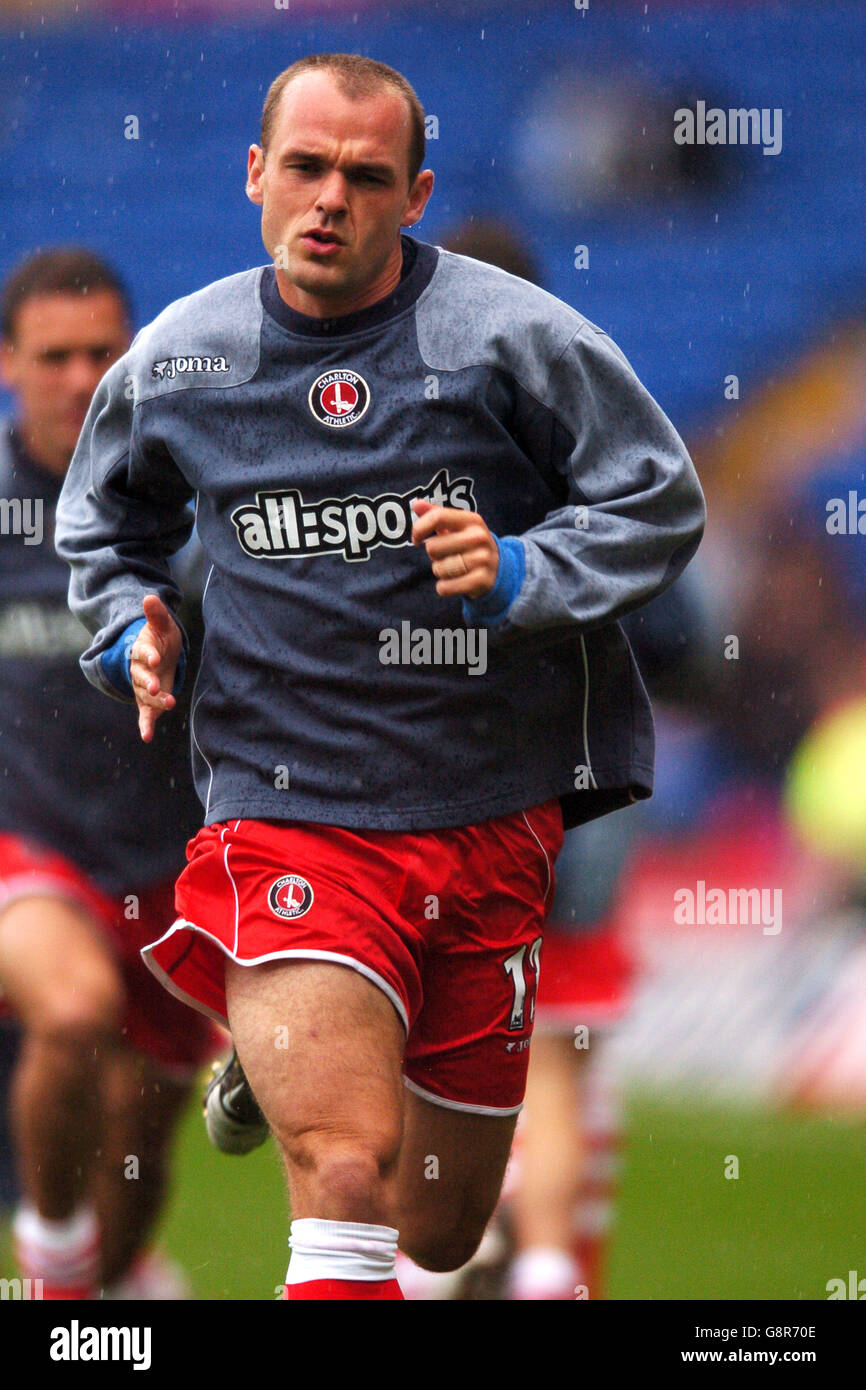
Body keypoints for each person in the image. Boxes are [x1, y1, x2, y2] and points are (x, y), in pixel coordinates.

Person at [56, 53, 706, 1302]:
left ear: (413, 194)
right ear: (255, 172)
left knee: (444, 1226)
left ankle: (283, 1038)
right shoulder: (181, 360)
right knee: (341, 1168)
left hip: (484, 814)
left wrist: (523, 568)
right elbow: (102, 528)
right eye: (303, 167)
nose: (328, 199)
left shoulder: (511, 336)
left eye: (364, 176)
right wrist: (122, 622)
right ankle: (290, 1020)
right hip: (288, 807)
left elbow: (655, 496)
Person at [0, 247, 212, 1299]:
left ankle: (88, 1293)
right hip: (30, 846)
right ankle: (45, 1250)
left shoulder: (189, 503)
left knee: (145, 1128)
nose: (82, 377)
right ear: (8, 362)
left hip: (174, 872)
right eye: (54, 356)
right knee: (73, 1010)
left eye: (103, 351)